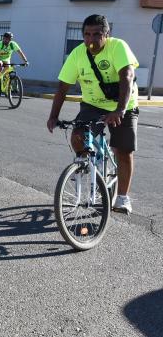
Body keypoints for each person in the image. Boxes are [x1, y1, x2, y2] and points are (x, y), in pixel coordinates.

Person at [47, 14, 139, 214]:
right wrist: (53, 116)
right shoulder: (78, 54)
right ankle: (85, 164)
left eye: (97, 34)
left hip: (124, 104)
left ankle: (123, 197)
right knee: (78, 135)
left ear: (107, 34)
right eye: (87, 34)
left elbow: (127, 76)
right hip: (92, 104)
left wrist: (120, 110)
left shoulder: (118, 47)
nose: (91, 39)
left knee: (123, 151)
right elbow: (63, 87)